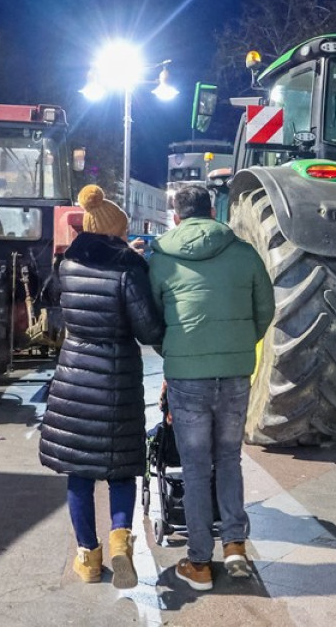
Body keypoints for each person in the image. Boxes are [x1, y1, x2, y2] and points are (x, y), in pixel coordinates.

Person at [148, 185, 274, 591]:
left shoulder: (161, 258)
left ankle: (199, 562)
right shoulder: (243, 252)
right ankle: (234, 546)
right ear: (214, 210)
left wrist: (175, 350)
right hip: (235, 373)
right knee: (230, 459)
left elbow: (152, 318)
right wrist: (238, 345)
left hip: (187, 379)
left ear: (176, 216)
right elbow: (264, 311)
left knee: (197, 467)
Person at [39, 184, 164, 587]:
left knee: (79, 473)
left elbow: (58, 311)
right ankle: (121, 543)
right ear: (114, 231)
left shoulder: (66, 266)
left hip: (73, 375)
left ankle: (88, 560)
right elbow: (147, 330)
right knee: (120, 469)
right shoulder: (127, 269)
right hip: (116, 380)